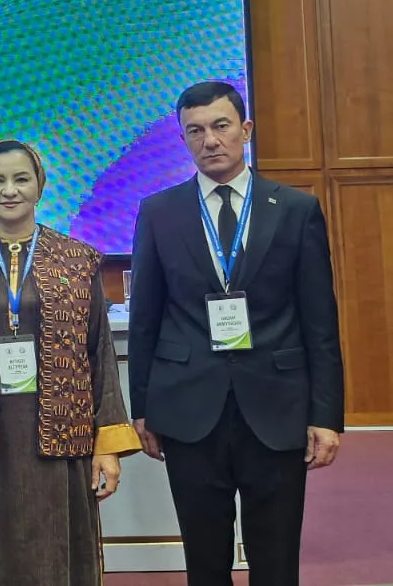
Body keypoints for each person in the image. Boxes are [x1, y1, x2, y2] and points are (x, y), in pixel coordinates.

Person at [128, 81, 344, 586]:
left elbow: (320, 322)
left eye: (221, 126)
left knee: (276, 558)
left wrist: (326, 415)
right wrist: (143, 407)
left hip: (277, 405)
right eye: (195, 131)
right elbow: (145, 320)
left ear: (245, 130)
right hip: (188, 408)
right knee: (205, 560)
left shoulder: (295, 210)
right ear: (184, 139)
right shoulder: (159, 213)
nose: (210, 140)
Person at [0, 139, 140, 585]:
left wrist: (108, 445)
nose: (9, 190)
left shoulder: (76, 261)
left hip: (62, 438)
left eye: (21, 179)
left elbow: (99, 352)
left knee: (59, 555)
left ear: (40, 185)